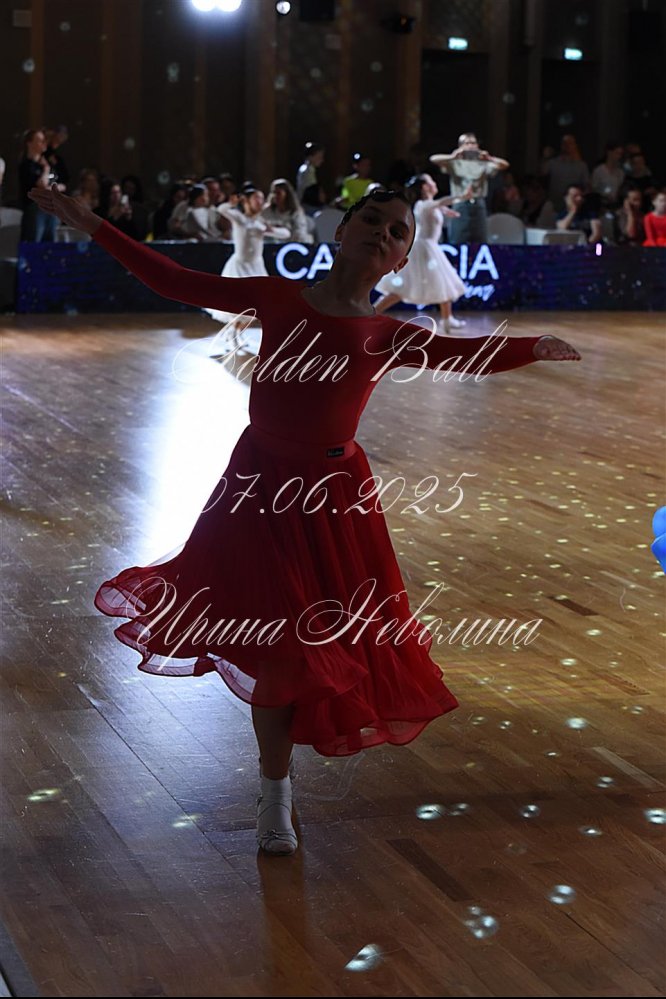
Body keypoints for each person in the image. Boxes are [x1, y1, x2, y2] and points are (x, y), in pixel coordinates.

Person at [28, 181, 582, 857]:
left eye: (398, 231)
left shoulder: (389, 333)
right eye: (372, 219)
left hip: (336, 501)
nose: (382, 233)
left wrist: (534, 344)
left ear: (401, 259)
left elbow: (463, 356)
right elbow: (173, 279)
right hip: (258, 489)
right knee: (280, 645)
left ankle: (276, 788)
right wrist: (93, 224)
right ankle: (275, 793)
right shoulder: (278, 297)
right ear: (341, 232)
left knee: (314, 642)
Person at [372, 174, 470, 331]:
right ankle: (371, 314)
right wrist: (462, 197)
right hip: (423, 249)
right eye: (431, 181)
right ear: (425, 186)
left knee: (443, 282)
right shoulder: (422, 204)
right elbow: (439, 203)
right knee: (402, 289)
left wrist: (444, 210)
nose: (434, 183)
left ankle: (447, 319)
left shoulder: (428, 205)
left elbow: (438, 206)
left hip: (429, 247)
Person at [429, 132, 509, 244]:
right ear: (460, 146)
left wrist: (490, 158)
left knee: (481, 240)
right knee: (457, 239)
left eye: (473, 143)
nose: (470, 146)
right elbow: (433, 159)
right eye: (466, 143)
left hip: (478, 203)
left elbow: (504, 165)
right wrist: (453, 156)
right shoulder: (454, 162)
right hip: (460, 203)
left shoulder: (483, 163)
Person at [18, 129, 57, 241]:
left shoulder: (46, 163)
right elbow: (42, 185)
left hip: (50, 207)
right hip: (34, 209)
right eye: (40, 140)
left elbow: (58, 185)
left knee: (50, 242)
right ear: (29, 143)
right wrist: (46, 169)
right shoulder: (27, 165)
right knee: (34, 242)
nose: (44, 143)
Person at [541, 134, 589, 213]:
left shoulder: (581, 166)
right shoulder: (553, 163)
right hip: (555, 207)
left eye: (570, 143)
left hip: (573, 208)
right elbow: (542, 173)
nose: (567, 145)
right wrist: (545, 157)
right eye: (564, 143)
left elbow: (586, 187)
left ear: (575, 146)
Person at [261, 178, 312, 243]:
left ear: (287, 194)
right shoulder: (266, 211)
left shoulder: (295, 212)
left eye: (278, 193)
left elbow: (300, 232)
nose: (275, 196)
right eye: (273, 193)